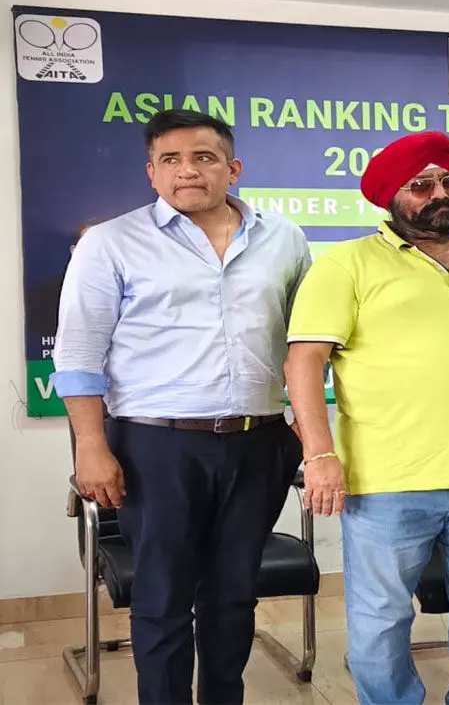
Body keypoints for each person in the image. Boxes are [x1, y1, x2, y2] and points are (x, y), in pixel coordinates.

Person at [51, 109, 311, 705]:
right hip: (155, 446)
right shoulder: (111, 242)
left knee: (234, 594)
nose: (187, 170)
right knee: (163, 597)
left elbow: (304, 342)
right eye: (170, 159)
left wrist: (307, 427)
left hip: (259, 441)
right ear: (152, 173)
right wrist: (91, 445)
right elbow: (80, 351)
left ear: (232, 168)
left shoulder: (284, 239)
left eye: (203, 157)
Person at [283, 131, 449, 705]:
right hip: (387, 480)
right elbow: (304, 363)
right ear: (390, 197)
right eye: (421, 185)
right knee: (381, 618)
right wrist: (319, 454)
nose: (440, 194)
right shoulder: (346, 264)